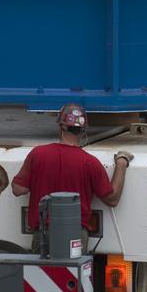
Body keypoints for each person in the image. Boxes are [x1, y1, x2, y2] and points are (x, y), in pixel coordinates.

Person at [11, 103, 132, 253]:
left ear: (61, 127)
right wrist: (121, 163)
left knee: (40, 275)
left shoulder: (38, 154)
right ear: (83, 130)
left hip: (42, 232)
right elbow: (112, 199)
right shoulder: (90, 163)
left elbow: (18, 189)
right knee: (73, 275)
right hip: (75, 234)